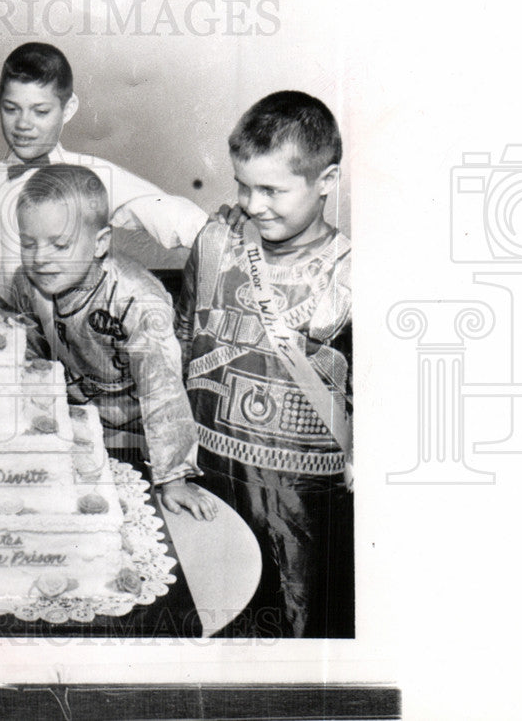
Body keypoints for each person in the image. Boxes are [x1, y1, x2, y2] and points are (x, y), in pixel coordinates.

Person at [175, 91, 354, 638]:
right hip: (205, 478)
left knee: (298, 634)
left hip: (303, 503)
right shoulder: (215, 240)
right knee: (208, 621)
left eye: (273, 189)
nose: (253, 205)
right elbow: (183, 339)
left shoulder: (352, 278)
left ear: (326, 180)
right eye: (243, 186)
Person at [11, 164, 218, 521]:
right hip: (72, 432)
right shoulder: (27, 281)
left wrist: (173, 478)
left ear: (100, 242)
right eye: (29, 243)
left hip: (138, 442)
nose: (40, 258)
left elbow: (163, 389)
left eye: (59, 245)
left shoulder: (137, 301)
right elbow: (30, 358)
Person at [0, 42, 207, 299]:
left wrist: (221, 232)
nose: (23, 124)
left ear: (68, 108)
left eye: (40, 111)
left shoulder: (85, 174)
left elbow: (165, 212)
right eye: (12, 109)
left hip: (59, 333)